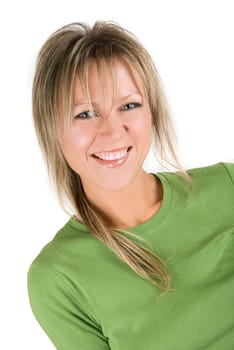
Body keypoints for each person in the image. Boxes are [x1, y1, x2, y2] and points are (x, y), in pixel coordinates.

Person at [27, 20, 234, 350]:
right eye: (84, 114)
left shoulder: (227, 187)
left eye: (129, 105)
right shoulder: (57, 278)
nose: (112, 131)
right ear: (53, 128)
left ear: (152, 111)